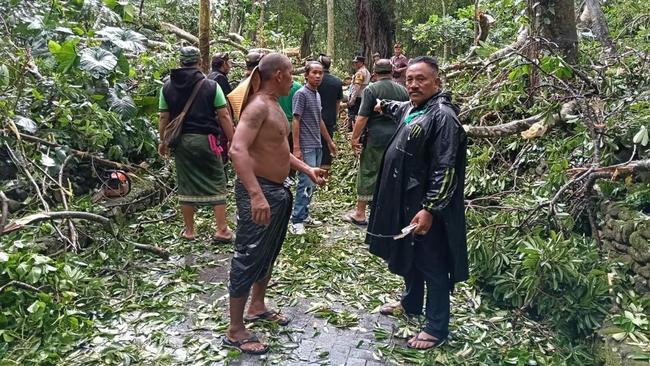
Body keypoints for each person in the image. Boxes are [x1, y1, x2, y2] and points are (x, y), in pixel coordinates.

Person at [226, 53, 327, 355]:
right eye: (292, 73)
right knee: (249, 255)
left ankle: (257, 306)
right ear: (279, 75)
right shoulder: (257, 107)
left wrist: (307, 169)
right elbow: (237, 150)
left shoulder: (273, 106)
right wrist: (256, 194)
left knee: (268, 252)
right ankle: (234, 329)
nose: (295, 78)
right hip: (261, 192)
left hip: (278, 190)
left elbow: (279, 150)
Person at [366, 56, 468, 350]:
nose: (413, 84)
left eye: (421, 79)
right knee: (411, 256)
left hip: (426, 206)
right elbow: (399, 108)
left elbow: (445, 167)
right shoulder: (414, 107)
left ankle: (437, 328)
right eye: (409, 79)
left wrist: (431, 208)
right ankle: (411, 303)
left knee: (431, 262)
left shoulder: (443, 116)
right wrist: (383, 105)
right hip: (405, 201)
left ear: (437, 81)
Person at [158, 46, 235, 242]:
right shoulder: (211, 86)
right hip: (207, 140)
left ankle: (190, 231)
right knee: (217, 179)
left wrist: (163, 141)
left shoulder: (166, 87)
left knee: (186, 183)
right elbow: (224, 115)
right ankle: (221, 229)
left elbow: (163, 116)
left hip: (181, 142)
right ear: (200, 62)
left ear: (180, 62)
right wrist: (233, 140)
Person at [344, 59, 408, 226]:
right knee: (391, 172)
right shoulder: (403, 90)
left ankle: (360, 213)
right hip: (397, 137)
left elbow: (362, 117)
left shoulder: (371, 90)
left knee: (368, 171)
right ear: (391, 71)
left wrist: (354, 138)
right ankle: (388, 213)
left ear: (375, 72)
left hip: (375, 138)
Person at [290, 61, 337, 235]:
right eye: (314, 73)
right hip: (305, 145)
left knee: (313, 181)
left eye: (320, 73)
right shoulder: (301, 94)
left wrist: (329, 141)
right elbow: (295, 120)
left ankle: (305, 215)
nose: (318, 76)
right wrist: (296, 147)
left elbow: (319, 120)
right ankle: (296, 220)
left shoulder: (316, 94)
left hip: (317, 143)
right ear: (306, 75)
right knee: (305, 181)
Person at [316, 54, 343, 172]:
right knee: (328, 142)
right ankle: (325, 170)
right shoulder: (337, 82)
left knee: (315, 142)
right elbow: (338, 102)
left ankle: (314, 167)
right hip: (330, 117)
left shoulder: (315, 80)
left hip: (315, 117)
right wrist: (335, 116)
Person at [207, 52, 233, 171]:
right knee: (222, 151)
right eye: (228, 62)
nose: (230, 65)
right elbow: (227, 105)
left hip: (210, 122)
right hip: (220, 123)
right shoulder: (219, 78)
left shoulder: (209, 76)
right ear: (223, 64)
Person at [347, 56, 371, 131]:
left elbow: (357, 87)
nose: (355, 64)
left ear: (361, 63)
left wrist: (352, 100)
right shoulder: (366, 71)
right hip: (363, 95)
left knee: (353, 115)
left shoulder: (360, 73)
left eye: (356, 62)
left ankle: (353, 130)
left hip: (358, 96)